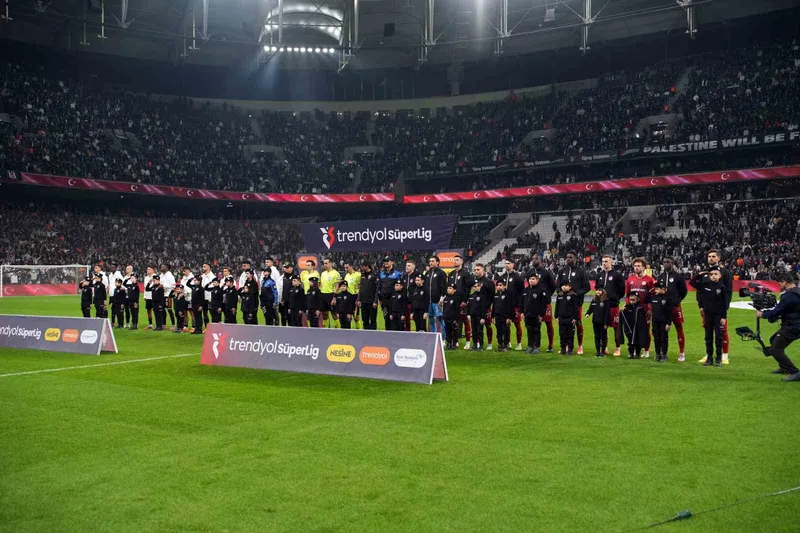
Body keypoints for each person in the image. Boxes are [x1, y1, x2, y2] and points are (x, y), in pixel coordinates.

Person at [757, 273, 800, 381]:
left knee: (775, 349)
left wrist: (762, 314)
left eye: (780, 283)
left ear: (785, 282)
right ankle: (784, 367)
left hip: (793, 326)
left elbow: (776, 311)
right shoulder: (797, 292)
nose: (779, 285)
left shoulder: (788, 296)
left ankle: (795, 372)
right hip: (794, 324)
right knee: (773, 339)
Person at [698, 250, 733, 365]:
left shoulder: (725, 273)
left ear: (718, 258)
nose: (711, 258)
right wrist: (701, 305)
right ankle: (709, 355)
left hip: (719, 310)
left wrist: (725, 308)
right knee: (708, 332)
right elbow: (700, 290)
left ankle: (724, 355)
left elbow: (728, 292)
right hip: (707, 309)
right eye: (709, 256)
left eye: (713, 256)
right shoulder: (705, 273)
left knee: (722, 331)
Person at [690, 267, 729, 367]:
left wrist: (723, 317)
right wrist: (700, 274)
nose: (713, 276)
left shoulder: (722, 288)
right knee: (708, 337)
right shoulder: (704, 286)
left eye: (715, 274)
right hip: (707, 315)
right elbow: (692, 282)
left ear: (720, 276)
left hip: (718, 316)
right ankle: (709, 358)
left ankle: (718, 358)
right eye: (711, 274)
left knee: (718, 337)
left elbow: (724, 304)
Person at [556, 251, 590, 354]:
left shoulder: (581, 271)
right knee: (564, 326)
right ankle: (566, 346)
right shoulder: (562, 271)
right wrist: (560, 292)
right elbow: (557, 286)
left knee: (578, 324)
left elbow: (587, 287)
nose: (568, 259)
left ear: (575, 258)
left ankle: (580, 346)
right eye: (567, 257)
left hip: (576, 303)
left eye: (570, 257)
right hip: (563, 304)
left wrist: (576, 293)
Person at [656, 256, 688, 362]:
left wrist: (677, 301)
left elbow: (684, 291)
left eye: (668, 262)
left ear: (672, 263)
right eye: (664, 262)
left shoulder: (678, 277)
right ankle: (662, 352)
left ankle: (682, 353)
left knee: (679, 328)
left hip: (675, 308)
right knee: (662, 331)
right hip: (663, 308)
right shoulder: (660, 277)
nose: (665, 263)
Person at [595, 255, 626, 356]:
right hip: (602, 306)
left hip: (613, 305)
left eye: (606, 261)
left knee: (616, 327)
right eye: (603, 261)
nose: (604, 263)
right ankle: (605, 347)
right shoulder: (599, 275)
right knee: (603, 328)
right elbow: (597, 289)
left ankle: (618, 348)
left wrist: (616, 297)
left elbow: (622, 289)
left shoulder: (617, 275)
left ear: (611, 262)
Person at [625, 257, 656, 358]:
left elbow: (653, 295)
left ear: (644, 267)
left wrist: (651, 309)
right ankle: (635, 349)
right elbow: (627, 295)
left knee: (645, 330)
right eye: (635, 266)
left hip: (645, 309)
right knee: (634, 329)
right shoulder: (630, 280)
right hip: (633, 309)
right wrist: (627, 305)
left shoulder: (649, 280)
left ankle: (646, 350)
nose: (636, 268)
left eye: (639, 266)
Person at [526, 254, 557, 353]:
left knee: (548, 323)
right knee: (533, 325)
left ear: (541, 260)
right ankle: (533, 345)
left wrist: (547, 295)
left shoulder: (546, 272)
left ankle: (551, 345)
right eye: (533, 258)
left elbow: (553, 286)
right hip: (533, 304)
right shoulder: (530, 272)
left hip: (545, 302)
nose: (534, 260)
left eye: (536, 258)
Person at [497, 259, 525, 351]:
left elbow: (522, 292)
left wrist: (520, 305)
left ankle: (519, 343)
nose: (506, 265)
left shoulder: (518, 277)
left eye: (508, 263)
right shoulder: (503, 276)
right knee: (506, 325)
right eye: (505, 263)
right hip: (505, 306)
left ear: (513, 265)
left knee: (517, 324)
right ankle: (507, 342)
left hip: (515, 305)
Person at [447, 254, 473, 349]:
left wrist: (465, 300)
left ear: (461, 262)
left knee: (465, 321)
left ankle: (467, 342)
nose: (455, 262)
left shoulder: (466, 273)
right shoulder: (451, 274)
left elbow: (468, 287)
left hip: (462, 302)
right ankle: (455, 340)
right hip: (452, 302)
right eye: (454, 260)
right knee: (453, 322)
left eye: (457, 260)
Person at [523, 273, 550, 354]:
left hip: (536, 315)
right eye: (530, 279)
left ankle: (536, 347)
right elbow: (522, 302)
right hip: (527, 314)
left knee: (536, 330)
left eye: (533, 279)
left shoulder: (541, 290)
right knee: (529, 330)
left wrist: (541, 315)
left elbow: (543, 304)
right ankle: (530, 346)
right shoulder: (526, 290)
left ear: (537, 280)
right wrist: (522, 312)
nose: (531, 280)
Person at [472, 263, 496, 349]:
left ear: (483, 271)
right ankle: (477, 343)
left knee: (488, 325)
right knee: (476, 327)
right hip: (475, 308)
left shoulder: (489, 282)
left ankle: (489, 343)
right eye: (475, 270)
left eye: (478, 269)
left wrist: (487, 306)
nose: (476, 271)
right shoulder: (473, 281)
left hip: (486, 308)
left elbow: (492, 295)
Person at [650, 281, 674, 362]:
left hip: (664, 322)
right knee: (656, 338)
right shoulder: (653, 298)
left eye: (657, 289)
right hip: (655, 322)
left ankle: (664, 354)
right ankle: (657, 354)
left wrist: (668, 323)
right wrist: (650, 292)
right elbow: (645, 299)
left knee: (664, 338)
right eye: (655, 289)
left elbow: (670, 312)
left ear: (663, 289)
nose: (655, 290)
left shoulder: (668, 299)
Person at [425, 256, 448, 337]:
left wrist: (441, 299)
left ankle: (444, 339)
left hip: (437, 301)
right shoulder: (428, 273)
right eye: (430, 261)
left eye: (433, 261)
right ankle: (433, 337)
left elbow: (444, 287)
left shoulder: (441, 273)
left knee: (441, 320)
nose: (430, 263)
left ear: (437, 262)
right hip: (429, 302)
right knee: (431, 320)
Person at [555, 280, 579, 355]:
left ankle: (570, 349)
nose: (564, 287)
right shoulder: (560, 295)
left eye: (566, 285)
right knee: (562, 334)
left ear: (570, 287)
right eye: (562, 285)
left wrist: (575, 318)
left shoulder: (573, 295)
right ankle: (563, 349)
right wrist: (556, 316)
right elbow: (557, 306)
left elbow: (576, 308)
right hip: (561, 318)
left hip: (570, 318)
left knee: (570, 334)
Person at [585, 288, 611, 358]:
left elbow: (607, 313)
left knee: (603, 337)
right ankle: (597, 351)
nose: (598, 292)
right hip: (595, 322)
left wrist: (606, 323)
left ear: (603, 292)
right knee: (597, 337)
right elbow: (590, 308)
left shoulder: (606, 301)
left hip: (603, 322)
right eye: (597, 290)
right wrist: (587, 314)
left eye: (600, 290)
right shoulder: (594, 300)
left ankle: (603, 352)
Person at [621, 293, 648, 359]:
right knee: (630, 341)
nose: (632, 301)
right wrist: (623, 310)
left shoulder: (640, 308)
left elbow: (642, 319)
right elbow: (623, 315)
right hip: (630, 327)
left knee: (637, 341)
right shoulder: (627, 307)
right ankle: (631, 353)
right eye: (630, 300)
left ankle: (638, 353)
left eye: (633, 300)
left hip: (637, 327)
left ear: (638, 299)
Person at [379, 257, 402, 330]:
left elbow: (400, 288)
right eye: (384, 261)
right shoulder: (381, 274)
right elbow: (379, 287)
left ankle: (395, 337)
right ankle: (387, 337)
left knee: (394, 319)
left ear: (392, 262)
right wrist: (380, 300)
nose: (385, 262)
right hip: (384, 301)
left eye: (387, 261)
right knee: (386, 319)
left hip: (394, 301)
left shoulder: (398, 274)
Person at [320, 258, 342, 328]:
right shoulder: (323, 273)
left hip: (331, 295)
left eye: (326, 263)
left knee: (334, 314)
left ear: (331, 263)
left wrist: (334, 297)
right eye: (324, 263)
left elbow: (337, 286)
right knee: (324, 314)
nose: (325, 265)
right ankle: (325, 329)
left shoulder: (336, 273)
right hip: (323, 295)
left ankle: (338, 329)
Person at [467, 280, 488, 351]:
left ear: (480, 287)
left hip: (479, 316)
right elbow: (468, 306)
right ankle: (475, 345)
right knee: (474, 331)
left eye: (477, 286)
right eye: (474, 286)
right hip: (472, 316)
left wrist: (483, 317)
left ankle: (481, 345)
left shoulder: (482, 296)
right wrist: (468, 314)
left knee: (480, 331)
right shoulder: (471, 296)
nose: (475, 288)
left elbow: (484, 308)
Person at [492, 280, 513, 352]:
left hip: (505, 316)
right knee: (499, 331)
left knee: (505, 331)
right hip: (497, 316)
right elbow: (494, 307)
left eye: (501, 285)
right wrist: (492, 317)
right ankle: (500, 344)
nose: (499, 287)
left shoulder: (508, 294)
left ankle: (505, 345)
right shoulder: (495, 295)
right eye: (497, 285)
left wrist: (509, 317)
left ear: (505, 286)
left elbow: (510, 306)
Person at [359, 263, 379, 330]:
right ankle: (366, 335)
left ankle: (373, 336)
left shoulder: (374, 275)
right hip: (363, 302)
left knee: (373, 320)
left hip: (372, 302)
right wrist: (359, 299)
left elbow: (377, 289)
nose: (361, 268)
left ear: (367, 266)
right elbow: (360, 288)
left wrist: (375, 301)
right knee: (364, 320)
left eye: (363, 266)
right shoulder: (362, 275)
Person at [401, 260, 420, 332]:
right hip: (405, 302)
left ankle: (419, 333)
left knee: (416, 319)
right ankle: (407, 333)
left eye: (409, 265)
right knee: (406, 320)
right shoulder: (404, 277)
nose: (407, 267)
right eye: (406, 265)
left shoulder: (417, 276)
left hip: (414, 302)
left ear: (413, 267)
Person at [343, 262, 362, 329]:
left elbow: (360, 288)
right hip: (347, 297)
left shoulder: (358, 275)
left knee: (356, 316)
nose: (345, 269)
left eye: (347, 267)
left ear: (351, 266)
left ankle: (358, 330)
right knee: (348, 315)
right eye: (345, 267)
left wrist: (358, 299)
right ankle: (349, 331)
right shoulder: (346, 276)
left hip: (355, 296)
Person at [159, 264, 177, 329]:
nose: (161, 268)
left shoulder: (170, 276)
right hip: (162, 295)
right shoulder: (161, 275)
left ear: (167, 268)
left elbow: (173, 285)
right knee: (163, 310)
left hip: (168, 295)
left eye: (163, 267)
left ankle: (173, 325)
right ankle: (164, 324)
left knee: (169, 309)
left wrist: (163, 285)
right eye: (161, 267)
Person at [443, 285, 460, 349]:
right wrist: (444, 316)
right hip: (446, 317)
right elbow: (444, 308)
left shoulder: (456, 298)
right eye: (448, 288)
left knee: (454, 331)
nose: (448, 289)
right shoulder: (446, 298)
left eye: (450, 288)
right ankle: (449, 343)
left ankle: (454, 343)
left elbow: (457, 309)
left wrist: (456, 319)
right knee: (448, 331)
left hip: (453, 318)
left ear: (454, 290)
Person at [279, 262, 296, 326]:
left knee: (291, 319)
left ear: (291, 268)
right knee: (283, 317)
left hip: (291, 302)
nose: (284, 269)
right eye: (284, 267)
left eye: (286, 267)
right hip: (283, 301)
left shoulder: (295, 277)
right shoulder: (282, 277)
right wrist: (280, 299)